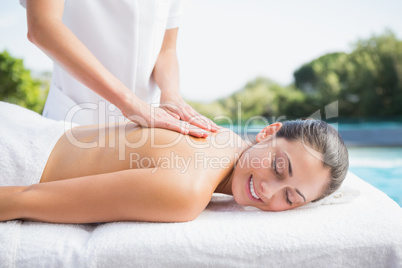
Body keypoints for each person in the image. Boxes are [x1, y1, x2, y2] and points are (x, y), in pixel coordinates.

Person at [0, 101, 349, 223]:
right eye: (277, 167)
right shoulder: (186, 191)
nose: (269, 191)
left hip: (24, 124)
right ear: (268, 132)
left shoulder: (215, 133)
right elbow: (22, 198)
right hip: (13, 153)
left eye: (290, 198)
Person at [20, 0, 217, 138]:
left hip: (146, 127)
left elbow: (166, 49)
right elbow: (42, 25)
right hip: (75, 119)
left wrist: (172, 95)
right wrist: (130, 103)